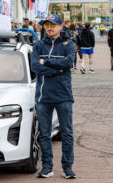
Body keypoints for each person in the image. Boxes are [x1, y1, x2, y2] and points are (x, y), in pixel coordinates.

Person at [31, 14, 76, 179]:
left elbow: (68, 63)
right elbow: (36, 67)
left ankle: (67, 167)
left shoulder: (68, 44)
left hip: (63, 96)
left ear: (60, 26)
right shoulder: (38, 46)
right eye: (46, 25)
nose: (49, 27)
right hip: (43, 97)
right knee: (44, 133)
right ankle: (47, 167)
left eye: (52, 24)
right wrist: (58, 69)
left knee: (67, 133)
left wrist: (47, 62)